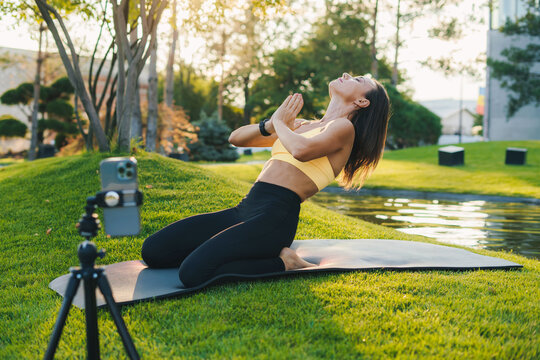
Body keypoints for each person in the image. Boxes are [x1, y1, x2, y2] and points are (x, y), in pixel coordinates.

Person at [141, 72, 391, 288]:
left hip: (274, 219)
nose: (346, 75)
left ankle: (284, 262)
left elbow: (301, 151)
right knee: (154, 251)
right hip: (244, 209)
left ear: (361, 101)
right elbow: (236, 137)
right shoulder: (300, 125)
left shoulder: (344, 129)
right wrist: (272, 124)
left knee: (192, 273)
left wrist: (282, 124)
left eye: (356, 79)